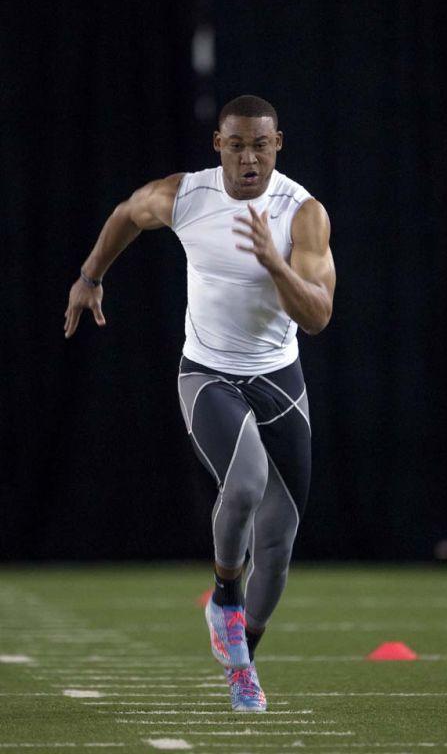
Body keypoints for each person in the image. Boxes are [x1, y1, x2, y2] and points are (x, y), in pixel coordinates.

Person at [64, 94, 336, 712]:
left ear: (278, 146)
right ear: (218, 144)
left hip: (279, 380)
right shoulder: (185, 195)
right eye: (236, 145)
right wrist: (90, 276)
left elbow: (318, 316)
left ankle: (244, 661)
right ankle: (223, 596)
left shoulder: (303, 214)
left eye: (260, 147)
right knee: (243, 485)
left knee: (279, 545)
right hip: (207, 372)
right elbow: (128, 213)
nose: (248, 159)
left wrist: (275, 263)